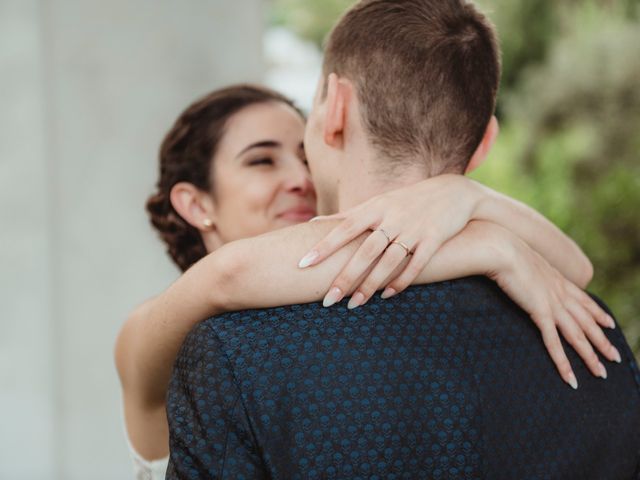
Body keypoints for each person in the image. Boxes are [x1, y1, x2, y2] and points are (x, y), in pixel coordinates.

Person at [159, 0, 640, 478]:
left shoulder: (235, 355)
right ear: (485, 142)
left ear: (336, 109)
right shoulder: (592, 330)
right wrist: (489, 233)